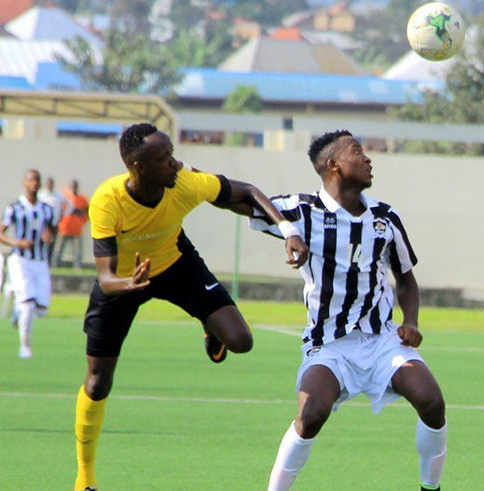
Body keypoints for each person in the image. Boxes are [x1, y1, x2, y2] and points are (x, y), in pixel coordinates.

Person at [72, 123, 309, 491]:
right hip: (123, 282)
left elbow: (245, 191)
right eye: (165, 159)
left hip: (176, 264)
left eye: (172, 154)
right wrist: (128, 283)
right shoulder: (107, 200)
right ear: (139, 168)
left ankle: (208, 324)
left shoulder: (184, 183)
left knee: (241, 341)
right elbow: (104, 277)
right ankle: (84, 476)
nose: (176, 163)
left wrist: (287, 229)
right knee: (98, 382)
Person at [240, 130, 447, 491]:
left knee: (431, 401)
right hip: (329, 345)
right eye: (357, 151)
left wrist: (411, 322)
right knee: (311, 413)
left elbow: (407, 280)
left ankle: (431, 488)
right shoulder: (303, 210)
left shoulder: (385, 218)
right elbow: (241, 195)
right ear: (334, 165)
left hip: (383, 340)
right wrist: (287, 230)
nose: (367, 159)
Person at [0, 169, 58, 359]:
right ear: (24, 183)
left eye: (36, 180)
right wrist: (17, 242)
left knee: (42, 309)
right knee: (28, 304)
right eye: (30, 180)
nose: (34, 183)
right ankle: (25, 347)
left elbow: (52, 230)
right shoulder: (14, 208)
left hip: (40, 261)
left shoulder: (47, 209)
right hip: (20, 260)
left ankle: (17, 308)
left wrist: (50, 236)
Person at [53, 179, 90, 269]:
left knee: (77, 249)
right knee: (58, 248)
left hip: (77, 228)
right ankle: (55, 264)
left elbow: (87, 212)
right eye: (72, 186)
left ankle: (77, 266)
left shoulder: (82, 199)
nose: (73, 188)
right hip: (64, 227)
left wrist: (82, 220)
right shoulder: (64, 196)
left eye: (75, 186)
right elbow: (59, 210)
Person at [37, 176, 67, 264]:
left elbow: (69, 204)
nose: (50, 185)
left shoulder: (58, 195)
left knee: (51, 243)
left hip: (54, 223)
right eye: (48, 183)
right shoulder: (41, 195)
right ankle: (40, 260)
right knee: (41, 241)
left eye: (51, 183)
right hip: (42, 223)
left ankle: (48, 262)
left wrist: (63, 214)